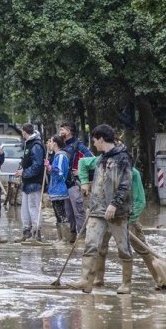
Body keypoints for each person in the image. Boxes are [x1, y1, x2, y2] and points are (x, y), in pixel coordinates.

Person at [69, 124, 133, 294]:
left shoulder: (123, 158)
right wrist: (91, 205)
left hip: (117, 211)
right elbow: (98, 184)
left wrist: (114, 203)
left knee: (123, 248)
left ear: (101, 139)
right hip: (97, 210)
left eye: (94, 141)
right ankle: (86, 281)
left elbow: (126, 184)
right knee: (91, 244)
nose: (93, 145)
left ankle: (126, 284)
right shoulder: (101, 159)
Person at [77, 152, 151, 289]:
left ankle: (159, 277)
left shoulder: (132, 173)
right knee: (100, 247)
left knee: (142, 249)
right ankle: (98, 279)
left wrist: (130, 220)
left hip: (127, 216)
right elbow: (83, 163)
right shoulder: (104, 166)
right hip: (105, 215)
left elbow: (140, 200)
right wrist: (85, 181)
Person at [59, 121, 93, 243]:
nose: (60, 132)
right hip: (65, 185)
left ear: (68, 131)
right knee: (69, 213)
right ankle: (72, 236)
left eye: (62, 129)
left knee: (79, 211)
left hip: (75, 184)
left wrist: (82, 174)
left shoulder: (79, 146)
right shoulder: (63, 145)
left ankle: (83, 237)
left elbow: (92, 161)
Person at [14, 123, 45, 242]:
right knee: (25, 209)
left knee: (34, 207)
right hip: (27, 182)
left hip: (34, 182)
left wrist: (24, 172)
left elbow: (37, 165)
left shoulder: (36, 145)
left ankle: (36, 234)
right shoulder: (28, 144)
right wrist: (22, 171)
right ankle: (26, 232)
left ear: (24, 132)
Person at [45, 135, 70, 245]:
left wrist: (50, 167)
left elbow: (59, 173)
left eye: (50, 141)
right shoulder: (56, 156)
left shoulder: (60, 156)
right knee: (58, 215)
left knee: (61, 215)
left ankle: (64, 239)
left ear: (55, 143)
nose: (49, 144)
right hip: (55, 190)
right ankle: (61, 238)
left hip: (59, 190)